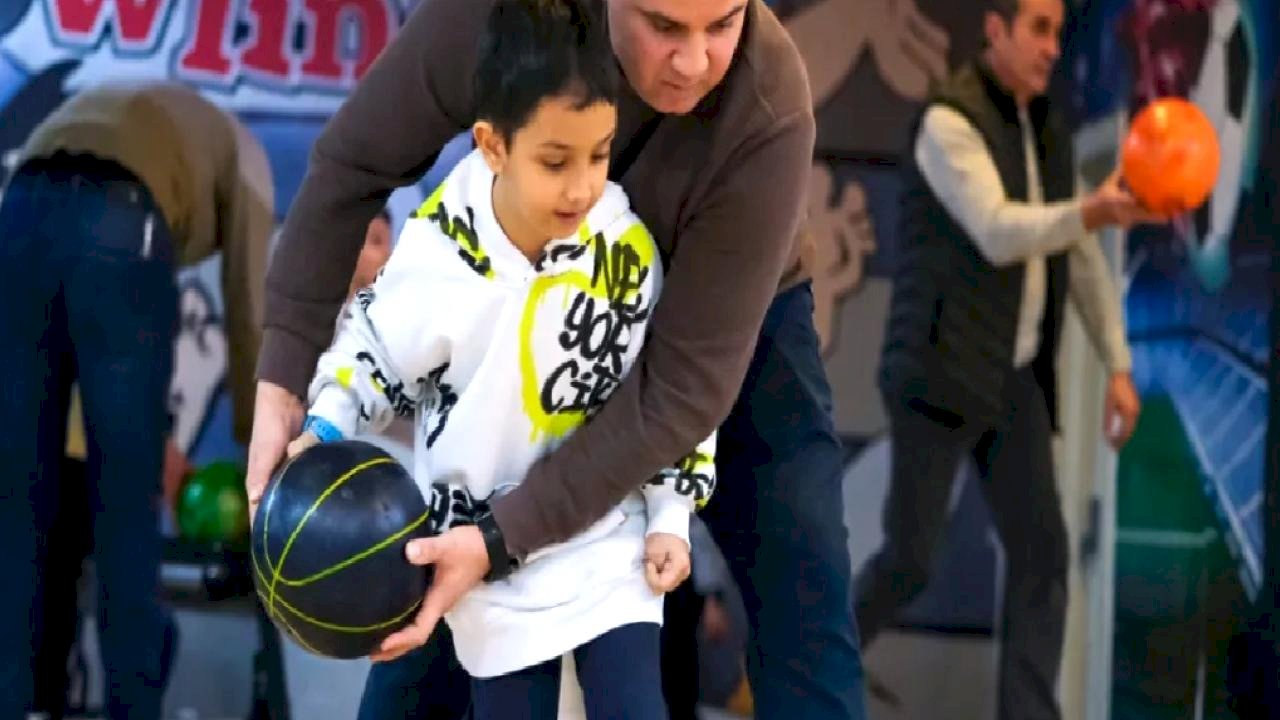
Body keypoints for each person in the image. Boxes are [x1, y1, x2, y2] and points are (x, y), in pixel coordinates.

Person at [246, 0, 868, 715]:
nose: (695, 60)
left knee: (805, 601)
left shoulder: (769, 100)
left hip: (724, 324)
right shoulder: (493, 19)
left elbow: (680, 393)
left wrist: (501, 538)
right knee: (445, 615)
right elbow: (352, 162)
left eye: (723, 24)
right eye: (664, 26)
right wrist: (285, 378)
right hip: (532, 307)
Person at [284, 2, 714, 717]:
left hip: (608, 543)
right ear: (491, 145)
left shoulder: (628, 254)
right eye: (555, 160)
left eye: (601, 154)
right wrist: (324, 427)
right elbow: (373, 350)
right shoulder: (439, 250)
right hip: (480, 552)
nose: (583, 187)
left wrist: (671, 513)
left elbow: (673, 394)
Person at [852, 1, 1168, 718]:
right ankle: (802, 666)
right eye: (1039, 29)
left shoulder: (1049, 131)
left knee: (1043, 556)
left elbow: (1078, 254)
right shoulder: (948, 122)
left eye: (1059, 31)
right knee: (910, 563)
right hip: (937, 373)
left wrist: (1117, 366)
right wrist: (1090, 210)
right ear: (995, 29)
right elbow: (997, 230)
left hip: (1013, 376)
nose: (1053, 47)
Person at [0, 82, 274, 719]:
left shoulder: (149, 119)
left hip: (19, 208)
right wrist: (262, 456)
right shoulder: (247, 156)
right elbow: (250, 311)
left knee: (17, 506)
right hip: (120, 217)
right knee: (125, 509)